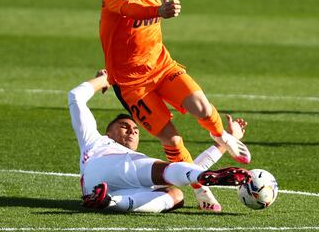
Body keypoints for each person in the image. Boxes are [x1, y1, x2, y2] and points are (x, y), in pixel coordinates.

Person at [99, 0, 251, 211]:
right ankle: (200, 189)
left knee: (201, 106)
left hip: (162, 65)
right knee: (172, 140)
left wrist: (162, 7)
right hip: (132, 84)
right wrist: (159, 11)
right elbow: (132, 10)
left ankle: (222, 137)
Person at [68, 71, 251, 213]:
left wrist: (227, 141)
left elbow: (186, 167)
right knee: (167, 171)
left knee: (176, 195)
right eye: (124, 126)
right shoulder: (95, 140)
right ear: (108, 133)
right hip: (106, 165)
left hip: (102, 190)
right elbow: (75, 97)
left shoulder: (134, 158)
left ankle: (108, 202)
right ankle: (203, 178)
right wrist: (105, 80)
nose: (132, 130)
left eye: (136, 129)